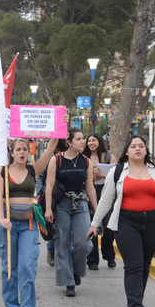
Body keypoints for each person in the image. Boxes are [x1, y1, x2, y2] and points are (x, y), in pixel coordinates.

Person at [88, 136, 155, 307]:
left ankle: (136, 299)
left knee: (145, 264)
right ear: (127, 151)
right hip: (126, 222)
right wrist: (94, 224)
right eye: (133, 146)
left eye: (141, 146)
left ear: (146, 150)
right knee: (134, 264)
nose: (138, 149)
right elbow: (106, 200)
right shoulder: (117, 172)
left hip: (153, 223)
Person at [0, 137, 57, 307]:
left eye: (25, 149)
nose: (22, 152)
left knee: (28, 265)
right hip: (8, 223)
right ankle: (12, 304)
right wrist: (1, 218)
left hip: (28, 224)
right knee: (10, 265)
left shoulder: (33, 170)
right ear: (12, 153)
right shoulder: (2, 171)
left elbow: (50, 149)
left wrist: (56, 134)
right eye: (18, 149)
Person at [45, 127, 97, 297]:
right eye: (79, 139)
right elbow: (49, 186)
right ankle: (69, 282)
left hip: (81, 204)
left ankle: (75, 270)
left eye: (83, 138)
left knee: (84, 243)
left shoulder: (86, 161)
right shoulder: (57, 160)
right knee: (63, 244)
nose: (83, 142)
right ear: (69, 142)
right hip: (62, 204)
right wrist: (48, 209)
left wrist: (97, 212)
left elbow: (90, 187)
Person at [83, 132, 118, 270]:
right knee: (92, 225)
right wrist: (91, 179)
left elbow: (117, 177)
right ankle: (92, 260)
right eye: (89, 141)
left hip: (106, 193)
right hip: (89, 193)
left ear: (99, 142)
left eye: (94, 140)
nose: (91, 143)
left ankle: (109, 255)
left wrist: (102, 175)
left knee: (108, 226)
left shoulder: (109, 156)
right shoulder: (83, 157)